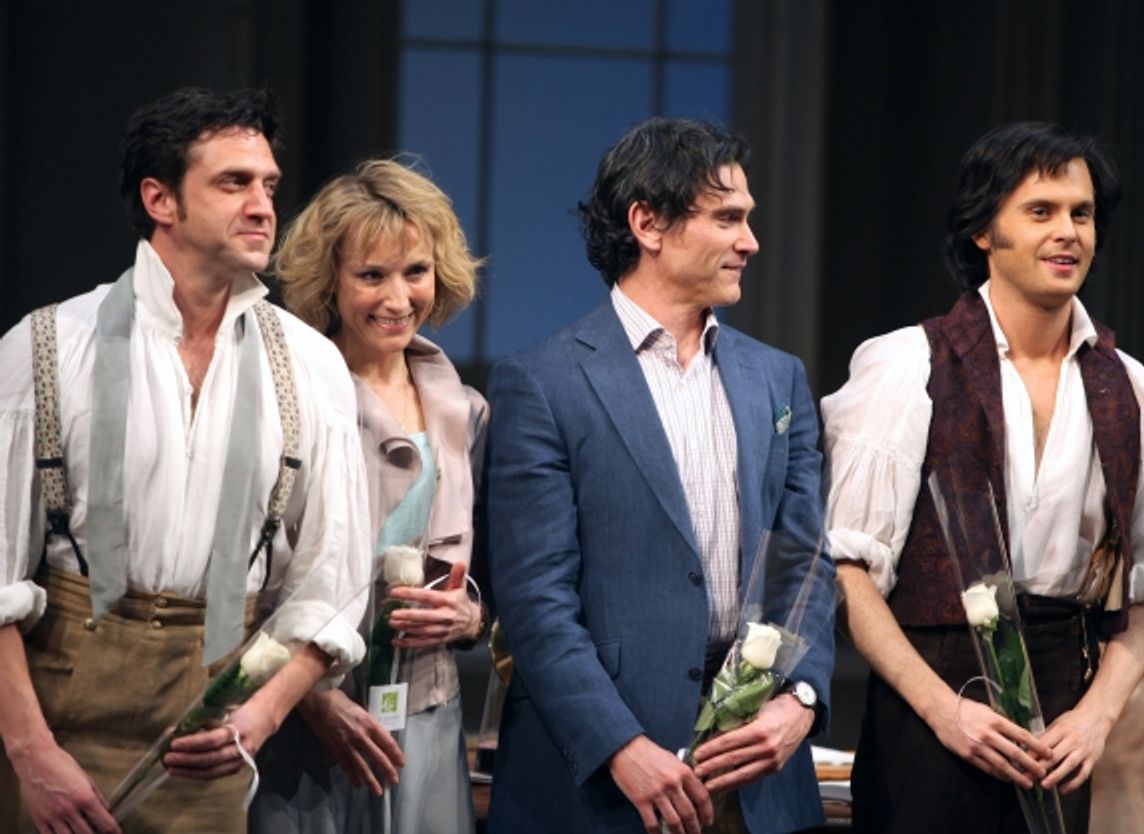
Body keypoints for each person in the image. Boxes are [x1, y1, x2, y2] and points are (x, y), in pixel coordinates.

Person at [0, 86, 373, 834]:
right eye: (233, 183)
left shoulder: (308, 365)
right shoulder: (47, 345)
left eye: (268, 184)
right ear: (159, 199)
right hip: (53, 725)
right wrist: (31, 754)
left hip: (211, 734)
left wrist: (259, 718)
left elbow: (330, 583)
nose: (264, 205)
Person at [823, 121, 1144, 833]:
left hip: (1062, 707)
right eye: (1041, 211)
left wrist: (1096, 716)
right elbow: (847, 570)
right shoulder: (907, 365)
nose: (1068, 233)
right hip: (930, 703)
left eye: (1081, 214)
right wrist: (944, 709)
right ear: (982, 233)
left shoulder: (1128, 387)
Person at [485, 117, 834, 834]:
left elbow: (805, 565)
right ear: (648, 222)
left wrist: (798, 701)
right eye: (729, 218)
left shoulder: (778, 378)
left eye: (750, 220)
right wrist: (620, 745)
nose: (751, 242)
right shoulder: (542, 381)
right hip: (602, 782)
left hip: (757, 776)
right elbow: (536, 602)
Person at [250, 158, 487, 834]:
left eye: (414, 271)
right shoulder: (288, 399)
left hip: (429, 718)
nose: (397, 297)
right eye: (371, 275)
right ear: (331, 281)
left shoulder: (468, 411)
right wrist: (313, 698)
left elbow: (489, 576)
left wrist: (467, 616)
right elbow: (253, 574)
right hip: (311, 720)